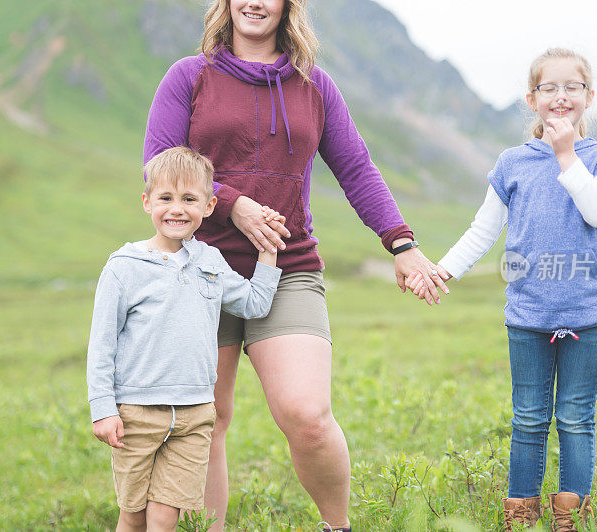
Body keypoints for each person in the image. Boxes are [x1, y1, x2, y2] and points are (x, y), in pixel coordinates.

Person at [142, 1, 448, 530]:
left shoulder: (315, 87)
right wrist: (232, 202)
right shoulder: (189, 77)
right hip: (195, 269)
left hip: (286, 267)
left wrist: (401, 243)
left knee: (307, 416)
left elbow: (355, 166)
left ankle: (338, 526)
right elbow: (158, 159)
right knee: (203, 422)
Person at [409, 48, 597, 531]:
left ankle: (569, 518)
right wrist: (442, 271)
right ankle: (521, 518)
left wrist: (566, 153)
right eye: (549, 87)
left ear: (589, 97)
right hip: (528, 315)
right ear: (532, 99)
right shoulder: (512, 163)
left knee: (575, 418)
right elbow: (483, 230)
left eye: (572, 86)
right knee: (529, 419)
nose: (561, 95)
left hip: (588, 313)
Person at [87, 146, 282, 532]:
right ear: (147, 202)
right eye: (166, 198)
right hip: (136, 413)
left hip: (194, 413)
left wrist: (268, 248)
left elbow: (254, 303)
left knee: (166, 515)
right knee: (134, 513)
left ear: (209, 206)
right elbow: (102, 343)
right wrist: (103, 408)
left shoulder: (209, 260)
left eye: (189, 199)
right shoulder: (124, 267)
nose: (176, 209)